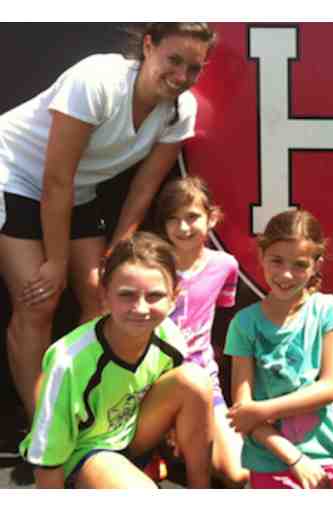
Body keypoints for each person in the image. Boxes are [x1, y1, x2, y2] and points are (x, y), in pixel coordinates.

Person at [0, 23, 217, 416]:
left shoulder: (181, 110)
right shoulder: (97, 80)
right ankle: (44, 427)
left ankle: (83, 415)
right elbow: (55, 181)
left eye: (194, 68)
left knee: (104, 296)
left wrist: (119, 253)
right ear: (148, 46)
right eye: (173, 60)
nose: (182, 75)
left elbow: (142, 190)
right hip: (12, 174)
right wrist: (56, 263)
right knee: (39, 300)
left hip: (76, 191)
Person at [19, 232, 214, 489]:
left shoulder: (171, 338)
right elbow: (48, 459)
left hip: (130, 436)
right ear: (104, 295)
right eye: (126, 295)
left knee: (195, 380)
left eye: (154, 296)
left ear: (173, 297)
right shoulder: (68, 360)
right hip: (85, 452)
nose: (141, 308)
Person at [225, 209, 333, 489]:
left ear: (317, 265)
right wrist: (294, 459)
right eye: (277, 261)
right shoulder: (244, 324)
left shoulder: (328, 310)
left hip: (325, 457)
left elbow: (329, 388)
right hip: (269, 459)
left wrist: (262, 410)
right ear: (261, 256)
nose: (286, 274)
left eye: (299, 265)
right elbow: (243, 414)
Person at [153, 176, 248, 488]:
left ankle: (185, 444)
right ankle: (167, 443)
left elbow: (218, 312)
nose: (183, 227)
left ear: (212, 217)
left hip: (204, 381)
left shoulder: (225, 266)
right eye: (173, 218)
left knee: (238, 473)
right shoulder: (151, 264)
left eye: (192, 217)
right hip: (151, 383)